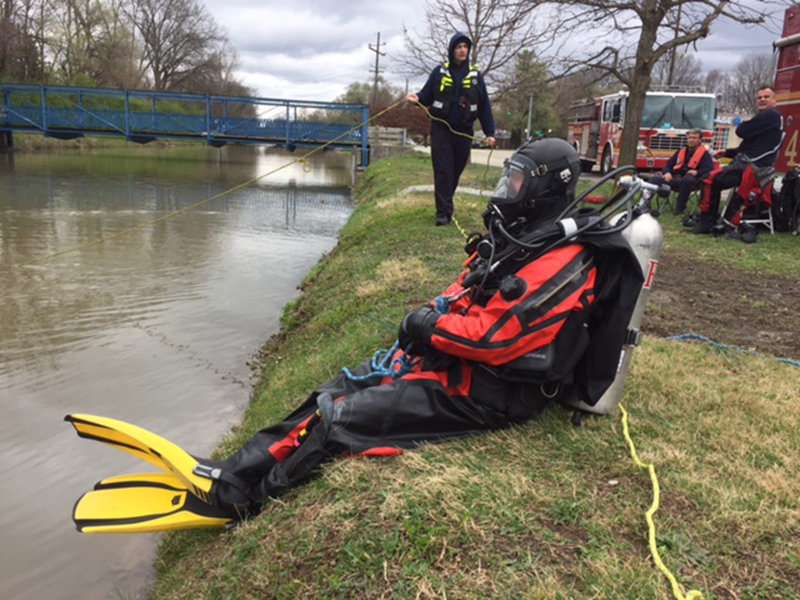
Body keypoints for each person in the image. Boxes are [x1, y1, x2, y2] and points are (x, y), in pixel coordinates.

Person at [67, 139, 648, 533]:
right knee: (337, 386)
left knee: (344, 418)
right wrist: (431, 315)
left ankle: (239, 501)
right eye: (508, 179)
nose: (507, 192)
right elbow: (467, 291)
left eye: (518, 183)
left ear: (547, 189)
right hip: (465, 370)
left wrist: (429, 327)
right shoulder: (527, 236)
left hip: (498, 392)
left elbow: (494, 338)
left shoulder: (564, 259)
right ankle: (233, 467)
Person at [406, 32, 496, 226]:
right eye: (458, 47)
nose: (462, 50)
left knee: (455, 171)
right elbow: (426, 94)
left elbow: (484, 106)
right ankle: (443, 213)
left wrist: (490, 133)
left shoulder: (476, 76)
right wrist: (417, 99)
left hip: (464, 132)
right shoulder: (439, 72)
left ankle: (445, 204)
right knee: (443, 171)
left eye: (465, 47)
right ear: (452, 50)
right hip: (441, 130)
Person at [693, 85, 783, 234]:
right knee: (713, 181)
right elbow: (746, 148)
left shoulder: (770, 115)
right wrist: (726, 152)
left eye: (766, 97)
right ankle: (711, 220)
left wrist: (741, 123)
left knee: (708, 180)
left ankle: (705, 223)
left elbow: (741, 131)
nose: (762, 100)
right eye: (759, 97)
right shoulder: (768, 119)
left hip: (751, 169)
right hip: (751, 166)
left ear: (774, 100)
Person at [650, 128, 713, 215]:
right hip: (675, 179)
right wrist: (667, 173)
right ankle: (645, 203)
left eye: (694, 138)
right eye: (690, 138)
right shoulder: (680, 151)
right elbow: (668, 166)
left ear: (700, 140)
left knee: (687, 180)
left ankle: (679, 208)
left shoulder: (705, 155)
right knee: (655, 179)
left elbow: (709, 170)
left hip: (692, 181)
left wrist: (697, 172)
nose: (691, 140)